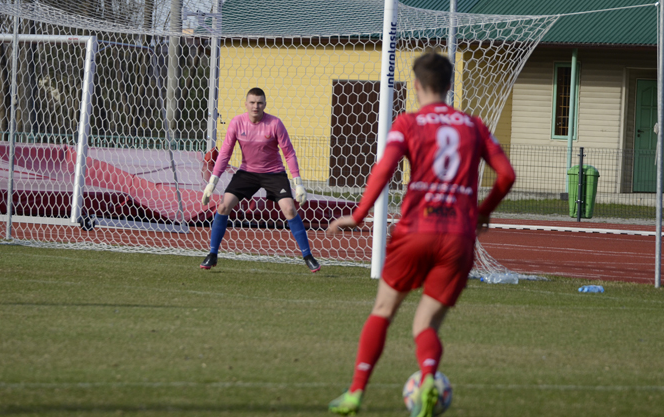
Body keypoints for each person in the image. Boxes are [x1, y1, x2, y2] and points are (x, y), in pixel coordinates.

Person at [325, 53, 516, 417]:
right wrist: (482, 214)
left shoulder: (408, 122)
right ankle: (429, 376)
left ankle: (354, 394)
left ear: (416, 85)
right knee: (425, 324)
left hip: (416, 230)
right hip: (458, 236)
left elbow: (384, 169)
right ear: (449, 85)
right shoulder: (474, 125)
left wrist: (358, 214)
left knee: (383, 310)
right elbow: (506, 175)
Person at [200, 87, 320, 272]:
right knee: (223, 206)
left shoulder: (275, 124)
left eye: (260, 103)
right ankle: (212, 254)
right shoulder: (237, 123)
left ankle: (308, 256)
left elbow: (289, 154)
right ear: (246, 104)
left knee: (289, 209)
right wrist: (212, 183)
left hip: (274, 173)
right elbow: (224, 154)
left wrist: (298, 184)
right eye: (252, 102)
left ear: (265, 104)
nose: (256, 106)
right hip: (247, 173)